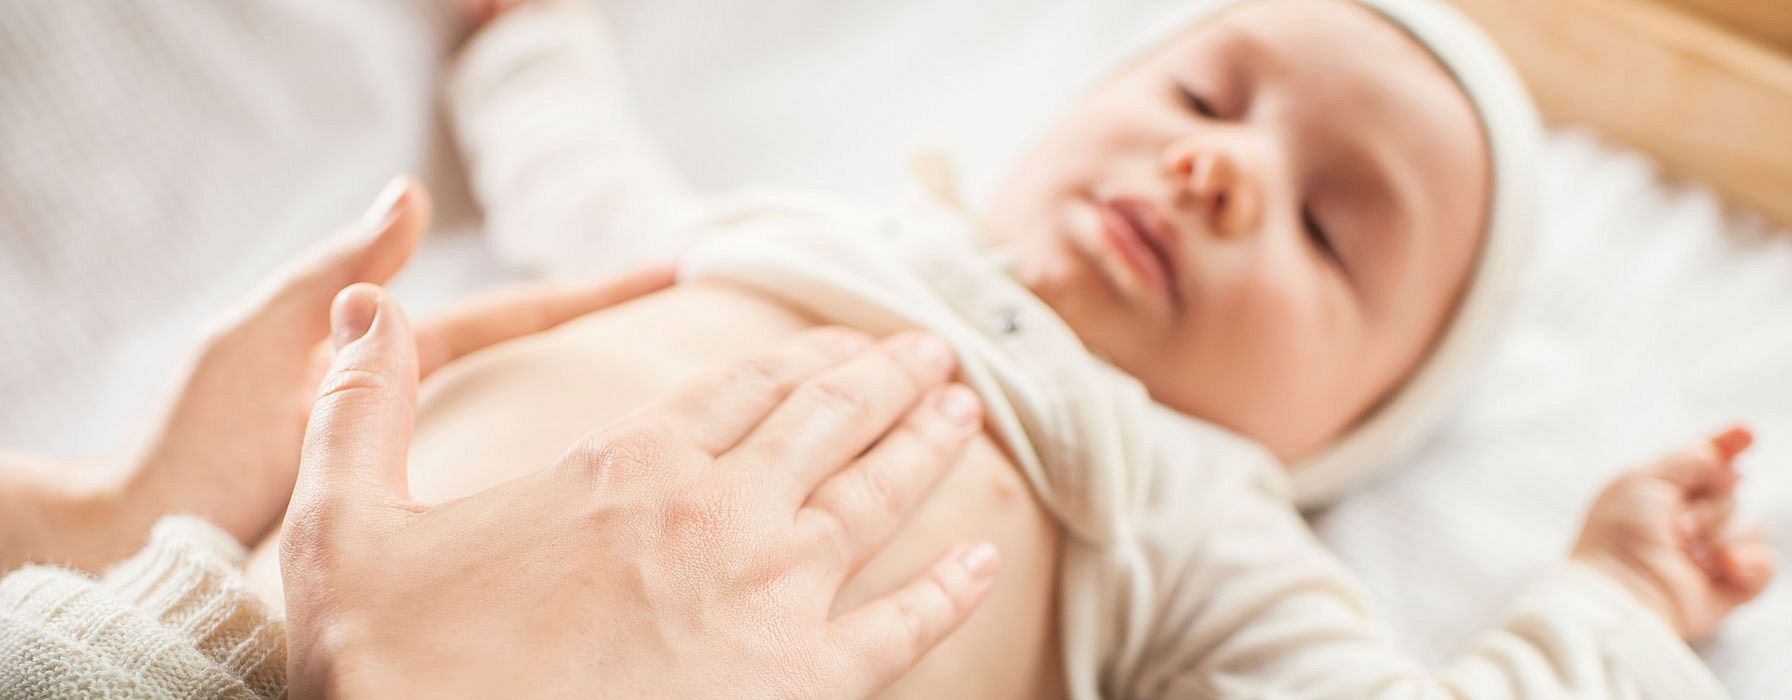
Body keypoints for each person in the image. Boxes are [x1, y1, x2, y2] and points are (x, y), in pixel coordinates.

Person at [241, 0, 1776, 697]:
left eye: (1327, 230)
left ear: (1346, 430)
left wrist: (1616, 596)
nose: (1221, 169)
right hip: (238, 613)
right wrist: (527, 39)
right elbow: (584, 192)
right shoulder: (818, 234)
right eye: (1204, 97)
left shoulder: (1190, 511)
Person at [0, 181, 999, 698]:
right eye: (1165, 93)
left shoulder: (1115, 509)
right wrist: (532, 43)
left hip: (137, 607)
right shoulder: (796, 226)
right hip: (172, 631)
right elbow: (578, 176)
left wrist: (123, 510)